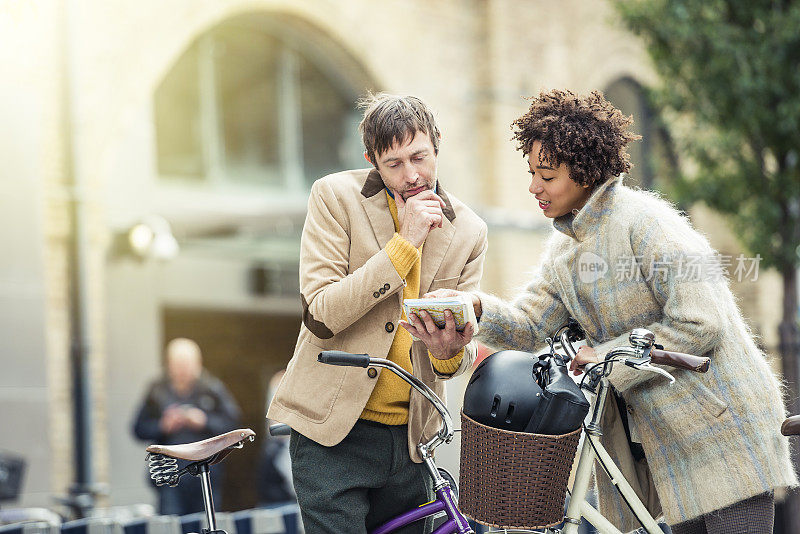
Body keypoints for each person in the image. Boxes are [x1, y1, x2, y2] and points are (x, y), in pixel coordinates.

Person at [413, 89, 797, 534]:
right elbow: (529, 326)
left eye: (548, 175)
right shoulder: (564, 249)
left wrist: (607, 354)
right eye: (532, 172)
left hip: (721, 424)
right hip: (668, 438)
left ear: (585, 171)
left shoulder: (647, 221)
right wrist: (475, 309)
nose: (534, 187)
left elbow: (702, 320)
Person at [266, 93, 488, 534]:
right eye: (393, 164)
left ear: (437, 144)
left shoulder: (470, 231)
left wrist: (447, 350)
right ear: (372, 160)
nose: (411, 176)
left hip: (412, 441)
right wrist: (405, 243)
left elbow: (457, 358)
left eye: (419, 158)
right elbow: (321, 314)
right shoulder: (334, 197)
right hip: (332, 432)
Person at [133, 337, 241, 516]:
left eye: (187, 364)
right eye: (178, 365)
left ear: (198, 364)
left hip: (205, 473)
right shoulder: (156, 389)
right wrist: (163, 425)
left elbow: (233, 424)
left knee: (205, 522)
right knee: (171, 523)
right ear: (168, 364)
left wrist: (204, 420)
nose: (183, 370)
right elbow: (138, 429)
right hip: (170, 475)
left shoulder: (212, 388)